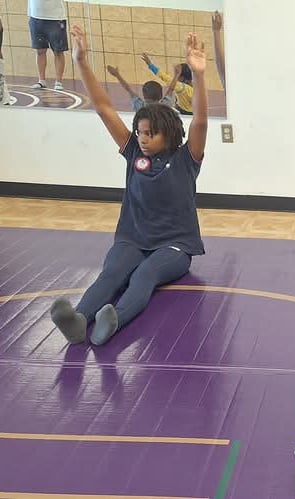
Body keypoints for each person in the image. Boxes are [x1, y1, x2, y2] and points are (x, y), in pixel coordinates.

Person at [49, 26, 209, 346]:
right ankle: (79, 321)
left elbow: (201, 122)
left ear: (169, 133)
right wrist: (81, 61)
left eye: (150, 133)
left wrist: (199, 75)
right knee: (111, 274)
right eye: (139, 132)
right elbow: (103, 107)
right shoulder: (134, 152)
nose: (142, 138)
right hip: (133, 238)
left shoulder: (185, 158)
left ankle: (116, 319)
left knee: (144, 275)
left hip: (174, 246)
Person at [28, 0, 68, 90]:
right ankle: (41, 80)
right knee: (40, 51)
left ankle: (58, 82)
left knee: (58, 51)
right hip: (35, 16)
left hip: (55, 18)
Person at [106, 65, 175, 112]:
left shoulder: (140, 107)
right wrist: (177, 75)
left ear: (144, 95)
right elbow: (171, 89)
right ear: (161, 96)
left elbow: (128, 89)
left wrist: (117, 75)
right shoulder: (166, 105)